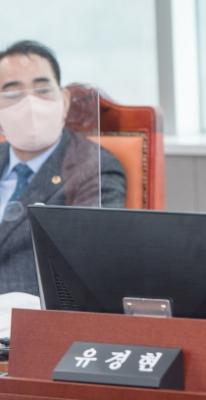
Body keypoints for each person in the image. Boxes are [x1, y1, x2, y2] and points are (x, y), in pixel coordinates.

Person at [0, 40, 125, 295]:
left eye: (42, 90)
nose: (30, 104)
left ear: (64, 101)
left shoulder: (94, 169)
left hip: (30, 312)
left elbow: (89, 264)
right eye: (13, 94)